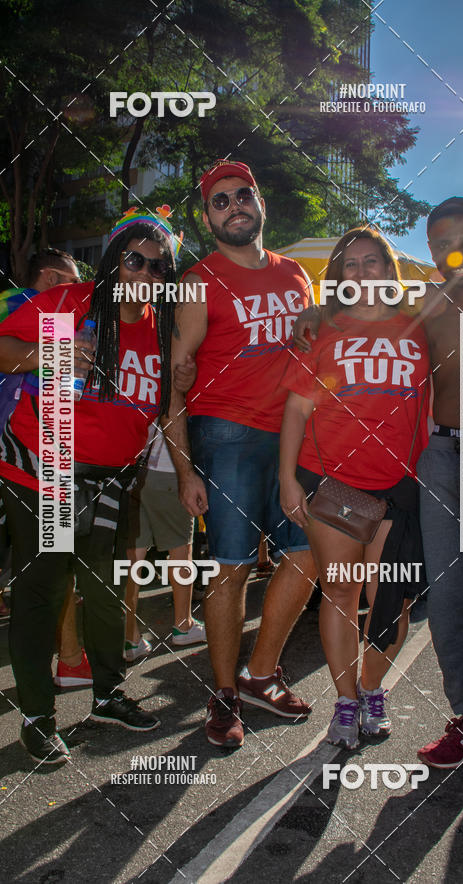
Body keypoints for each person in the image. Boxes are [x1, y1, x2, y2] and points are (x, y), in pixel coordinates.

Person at [294, 197, 463, 825]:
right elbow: (363, 308)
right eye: (440, 243)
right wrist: (317, 311)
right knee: (445, 602)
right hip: (444, 459)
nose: (453, 253)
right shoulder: (426, 304)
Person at [0, 208, 180, 763]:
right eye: (134, 260)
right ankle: (38, 717)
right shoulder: (73, 304)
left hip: (112, 480)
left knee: (104, 590)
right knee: (44, 592)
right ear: (114, 260)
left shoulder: (161, 329)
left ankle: (108, 695)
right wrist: (50, 353)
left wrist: (187, 474)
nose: (145, 273)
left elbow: (168, 408)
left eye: (158, 266)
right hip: (48, 470)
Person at [166, 160, 316, 749]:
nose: (234, 207)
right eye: (221, 201)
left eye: (243, 195)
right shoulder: (198, 281)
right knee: (232, 565)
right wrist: (184, 470)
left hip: (292, 435)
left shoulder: (296, 273)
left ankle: (261, 673)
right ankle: (224, 692)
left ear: (260, 204)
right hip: (226, 433)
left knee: (307, 554)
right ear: (208, 218)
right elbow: (173, 384)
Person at [280, 227, 429, 747]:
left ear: (389, 269)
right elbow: (297, 408)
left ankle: (372, 689)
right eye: (351, 264)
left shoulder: (419, 329)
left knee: (390, 598)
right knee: (341, 591)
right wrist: (286, 479)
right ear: (339, 275)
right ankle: (345, 702)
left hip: (398, 487)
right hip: (333, 482)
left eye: (372, 262)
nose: (362, 272)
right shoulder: (322, 330)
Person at [0, 249, 80, 656]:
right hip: (9, 451)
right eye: (72, 282)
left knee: (38, 550)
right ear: (49, 278)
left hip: (39, 452)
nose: (78, 291)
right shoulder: (22, 304)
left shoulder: (36, 311)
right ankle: (66, 656)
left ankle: (67, 655)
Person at [124, 430, 205, 660]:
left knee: (132, 557)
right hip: (169, 470)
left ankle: (130, 638)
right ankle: (183, 625)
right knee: (181, 550)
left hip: (133, 468)